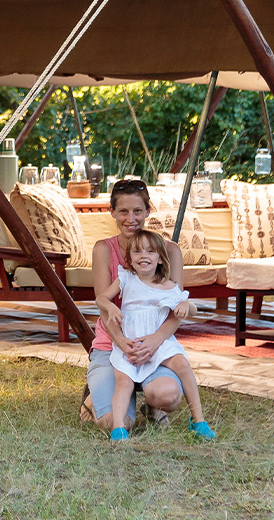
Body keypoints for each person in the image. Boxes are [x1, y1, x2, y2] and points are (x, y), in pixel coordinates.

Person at [80, 179, 184, 431]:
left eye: (137, 211)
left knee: (168, 396)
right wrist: (121, 342)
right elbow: (104, 307)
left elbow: (176, 310)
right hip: (113, 344)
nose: (131, 218)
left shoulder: (170, 251)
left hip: (154, 344)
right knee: (113, 424)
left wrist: (156, 339)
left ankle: (152, 403)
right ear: (112, 212)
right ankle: (94, 398)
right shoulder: (104, 249)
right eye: (123, 211)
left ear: (148, 211)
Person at [99, 229, 215, 441]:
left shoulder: (168, 286)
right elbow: (101, 299)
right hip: (131, 342)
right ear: (130, 259)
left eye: (150, 251)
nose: (144, 255)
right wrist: (111, 307)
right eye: (137, 252)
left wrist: (184, 305)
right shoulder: (126, 278)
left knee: (182, 364)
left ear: (161, 258)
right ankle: (118, 428)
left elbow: (191, 307)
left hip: (158, 342)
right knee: (124, 382)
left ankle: (198, 420)